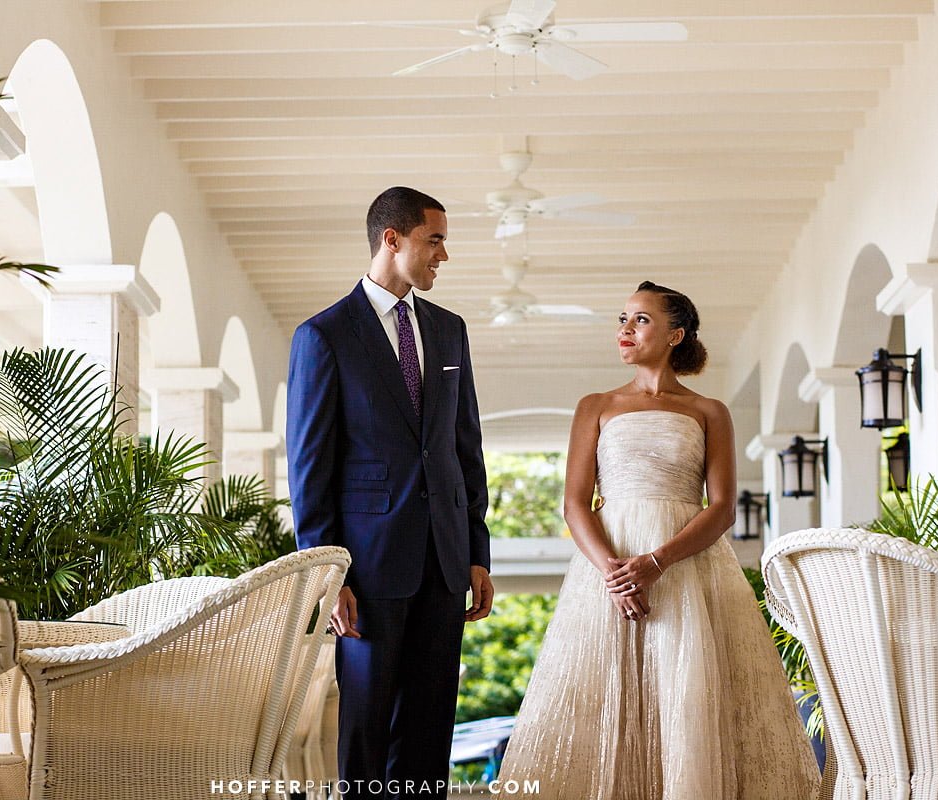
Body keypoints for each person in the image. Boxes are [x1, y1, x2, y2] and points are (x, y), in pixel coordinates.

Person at [496, 282, 820, 799]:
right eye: (622, 318)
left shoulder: (709, 411)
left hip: (687, 568)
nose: (625, 329)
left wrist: (655, 563)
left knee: (685, 695)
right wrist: (616, 574)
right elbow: (575, 504)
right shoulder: (595, 406)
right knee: (606, 696)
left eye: (640, 320)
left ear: (675, 334)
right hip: (607, 573)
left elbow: (720, 509)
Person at [285, 186, 495, 799]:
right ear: (392, 239)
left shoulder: (449, 331)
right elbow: (310, 468)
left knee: (431, 724)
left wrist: (476, 552)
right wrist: (328, 574)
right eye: (435, 240)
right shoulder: (323, 336)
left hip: (444, 557)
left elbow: (465, 448)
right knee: (368, 722)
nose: (444, 256)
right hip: (368, 567)